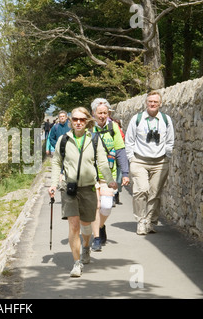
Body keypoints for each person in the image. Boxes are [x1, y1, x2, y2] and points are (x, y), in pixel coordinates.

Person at [48, 107, 117, 277]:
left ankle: (86, 246)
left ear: (87, 122)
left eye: (82, 120)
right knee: (73, 225)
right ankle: (76, 263)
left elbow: (102, 162)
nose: (78, 122)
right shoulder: (63, 140)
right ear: (71, 121)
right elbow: (56, 162)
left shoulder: (94, 139)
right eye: (75, 119)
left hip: (89, 188)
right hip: (69, 188)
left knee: (86, 224)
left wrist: (109, 180)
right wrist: (53, 184)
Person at [125, 91, 174, 235]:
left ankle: (151, 222)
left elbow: (170, 140)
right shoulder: (137, 119)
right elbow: (129, 140)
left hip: (160, 162)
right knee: (141, 190)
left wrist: (167, 156)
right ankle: (141, 221)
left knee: (155, 193)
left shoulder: (166, 120)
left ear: (160, 104)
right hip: (139, 160)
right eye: (150, 101)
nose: (152, 104)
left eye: (155, 102)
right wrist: (131, 158)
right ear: (146, 102)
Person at [90, 98, 130, 251]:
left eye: (105, 113)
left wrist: (125, 173)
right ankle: (97, 238)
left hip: (109, 175)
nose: (102, 116)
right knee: (96, 205)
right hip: (91, 175)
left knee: (106, 206)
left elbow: (120, 151)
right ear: (94, 113)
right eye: (99, 113)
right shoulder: (88, 128)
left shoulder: (113, 127)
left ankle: (100, 226)